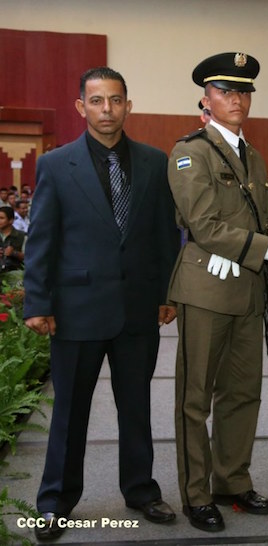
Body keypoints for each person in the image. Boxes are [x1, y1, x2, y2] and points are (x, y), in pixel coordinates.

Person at [22, 66, 181, 542]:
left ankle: (141, 490)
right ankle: (55, 501)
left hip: (137, 309)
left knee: (136, 407)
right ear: (81, 107)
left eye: (115, 100)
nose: (106, 109)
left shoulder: (154, 161)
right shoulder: (56, 165)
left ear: (128, 105)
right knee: (70, 412)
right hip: (76, 310)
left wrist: (166, 294)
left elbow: (164, 235)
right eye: (96, 100)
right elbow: (42, 240)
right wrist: (37, 302)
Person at [167, 52, 268, 533]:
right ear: (206, 99)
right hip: (206, 290)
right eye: (226, 91)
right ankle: (196, 494)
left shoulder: (254, 155)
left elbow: (263, 220)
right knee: (195, 399)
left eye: (244, 91)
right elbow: (204, 224)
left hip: (248, 290)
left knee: (243, 393)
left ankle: (231, 481)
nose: (237, 99)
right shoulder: (190, 152)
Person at [0, 205, 25, 285]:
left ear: (11, 220)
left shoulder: (22, 236)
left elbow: (30, 257)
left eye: (1, 218)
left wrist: (14, 253)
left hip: (15, 274)